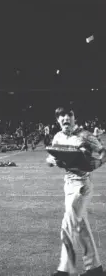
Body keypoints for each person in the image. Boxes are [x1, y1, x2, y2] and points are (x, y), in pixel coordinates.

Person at [46, 107, 104, 276]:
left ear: (74, 117)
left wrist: (95, 163)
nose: (65, 118)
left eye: (69, 115)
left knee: (67, 225)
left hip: (82, 185)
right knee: (80, 227)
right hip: (68, 184)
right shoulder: (57, 136)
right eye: (61, 116)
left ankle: (65, 270)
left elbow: (103, 153)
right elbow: (50, 158)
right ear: (58, 120)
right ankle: (95, 268)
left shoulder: (85, 135)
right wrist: (53, 159)